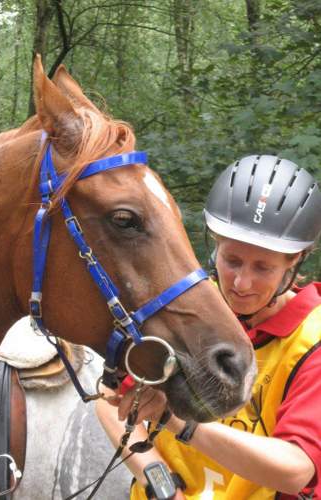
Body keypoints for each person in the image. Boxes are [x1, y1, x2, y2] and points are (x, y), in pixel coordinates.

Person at [96, 154, 321, 499]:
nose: (241, 283)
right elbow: (110, 398)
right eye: (231, 260)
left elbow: (295, 469)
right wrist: (159, 481)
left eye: (263, 267)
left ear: (296, 260)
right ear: (213, 243)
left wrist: (180, 422)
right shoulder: (185, 312)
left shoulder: (312, 341)